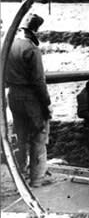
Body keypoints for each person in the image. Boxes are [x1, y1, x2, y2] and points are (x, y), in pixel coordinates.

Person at [5, 13, 52, 187]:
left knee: (20, 135)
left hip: (13, 96)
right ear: (34, 31)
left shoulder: (8, 45)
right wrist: (46, 104)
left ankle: (19, 174)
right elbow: (39, 81)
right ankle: (37, 178)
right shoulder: (32, 49)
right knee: (39, 136)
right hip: (30, 98)